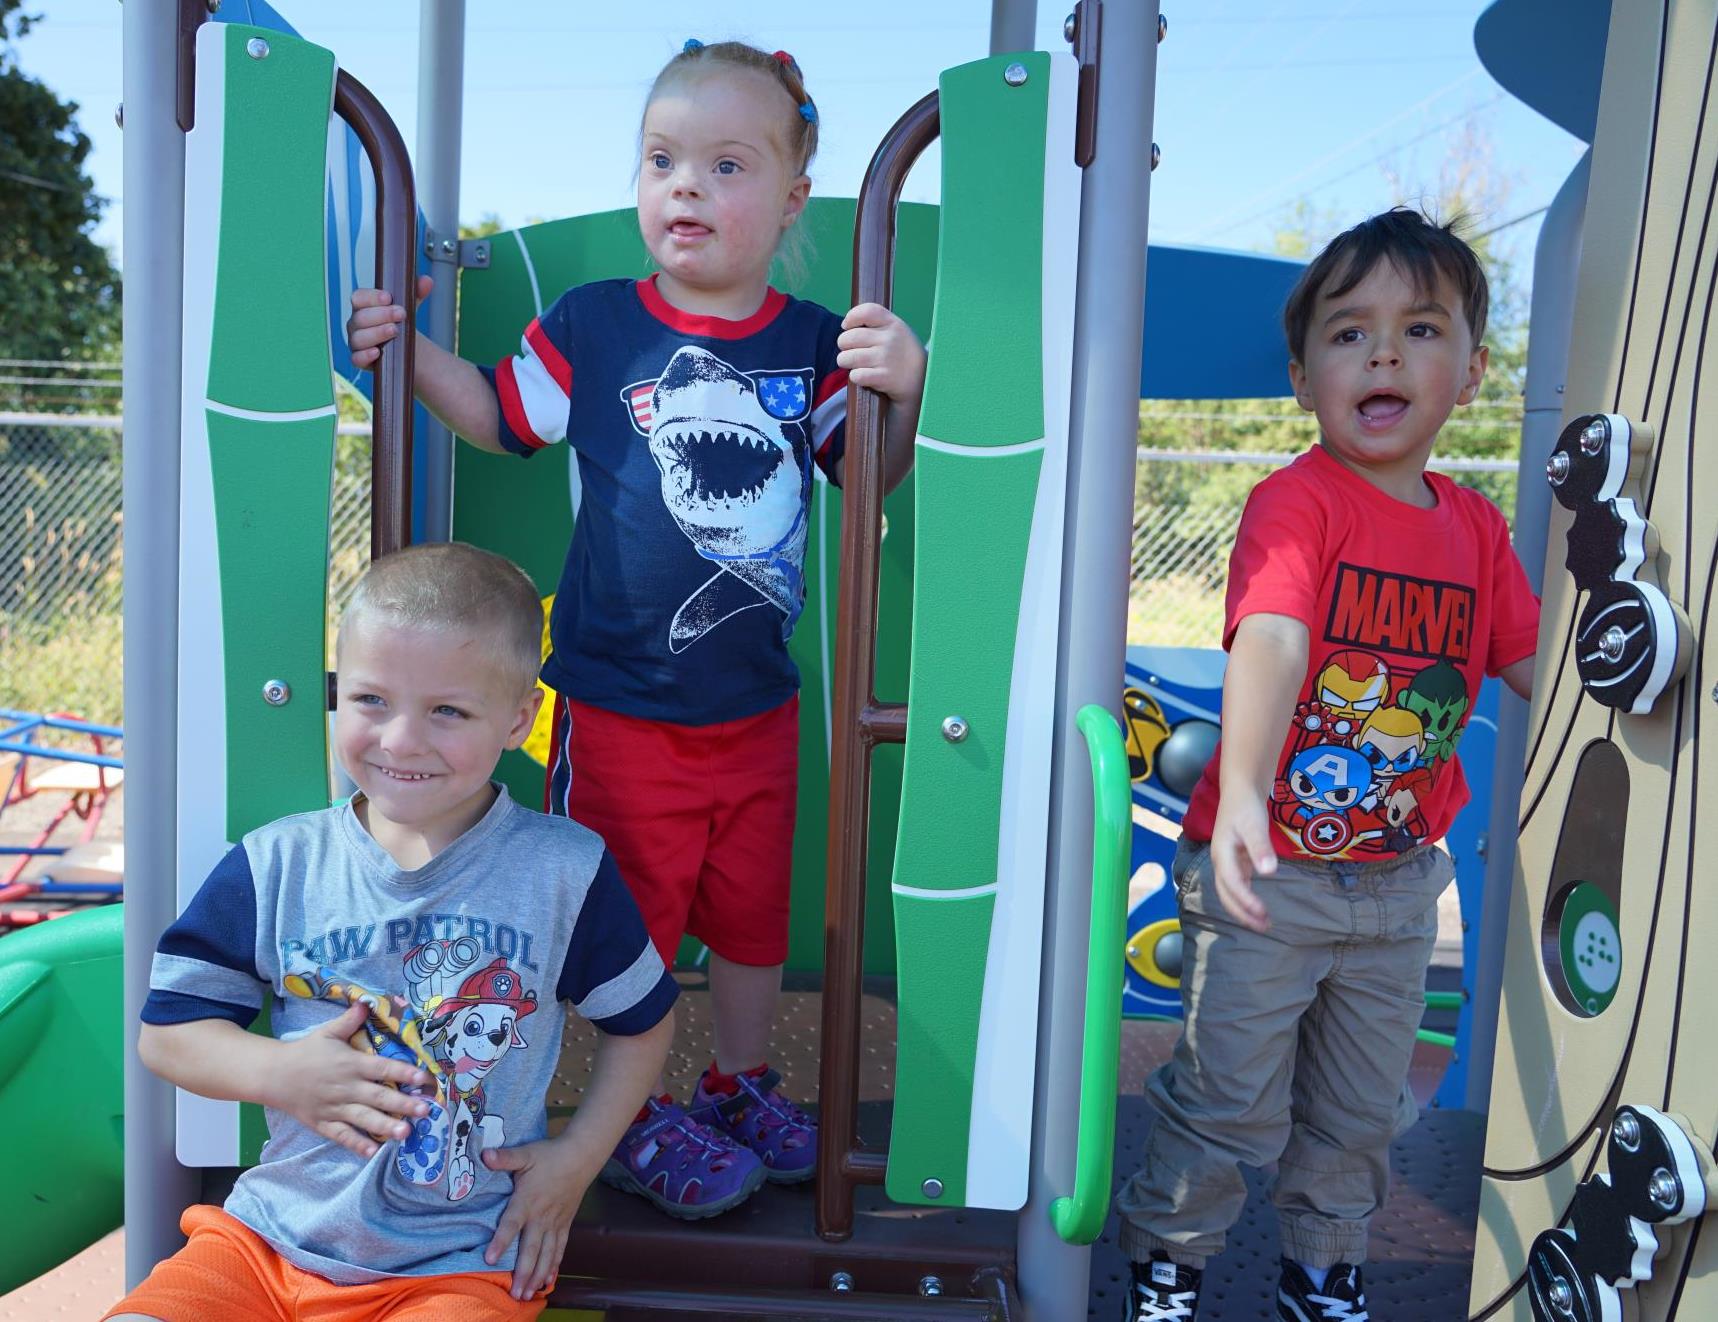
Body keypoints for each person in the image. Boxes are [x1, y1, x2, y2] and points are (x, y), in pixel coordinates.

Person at [346, 39, 926, 1218]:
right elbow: (504, 416)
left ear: (788, 200)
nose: (686, 188)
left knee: (756, 914)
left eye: (725, 164)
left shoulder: (810, 340)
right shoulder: (600, 324)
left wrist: (899, 390)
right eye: (663, 160)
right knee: (627, 919)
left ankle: (736, 1080)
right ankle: (626, 1110)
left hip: (757, 702)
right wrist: (409, 355)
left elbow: (866, 477)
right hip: (619, 710)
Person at [1117, 208, 1541, 1322]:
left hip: (1399, 885)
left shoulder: (1477, 531)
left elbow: (1532, 658)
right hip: (1273, 872)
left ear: (1470, 368)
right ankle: (1167, 1265)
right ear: (1304, 375)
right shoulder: (1296, 502)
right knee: (1226, 1098)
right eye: (1349, 333)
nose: (1384, 353)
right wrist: (1246, 788)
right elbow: (1271, 635)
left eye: (1418, 328)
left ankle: (1321, 1270)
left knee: (1361, 1112)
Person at [107, 543, 678, 1322]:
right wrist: (279, 1073)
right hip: (265, 1243)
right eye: (372, 699)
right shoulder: (278, 863)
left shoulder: (563, 871)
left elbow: (643, 1023)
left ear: (519, 719)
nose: (401, 739)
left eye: (447, 710)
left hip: (458, 1265)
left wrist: (577, 1160)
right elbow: (168, 1035)